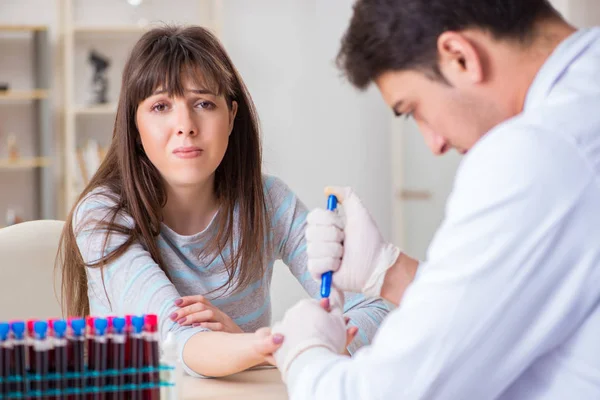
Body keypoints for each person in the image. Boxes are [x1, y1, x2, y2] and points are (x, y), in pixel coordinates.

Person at [272, 0, 600, 398]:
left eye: (414, 110)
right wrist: (386, 270)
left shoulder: (537, 151)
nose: (435, 144)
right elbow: (507, 309)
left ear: (459, 57)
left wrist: (303, 353)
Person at [56, 25, 389, 378]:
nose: (185, 125)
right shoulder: (102, 214)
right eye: (160, 106)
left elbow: (375, 312)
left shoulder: (267, 201)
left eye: (203, 103)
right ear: (134, 126)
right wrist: (274, 346)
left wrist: (251, 347)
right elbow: (175, 339)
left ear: (231, 116)